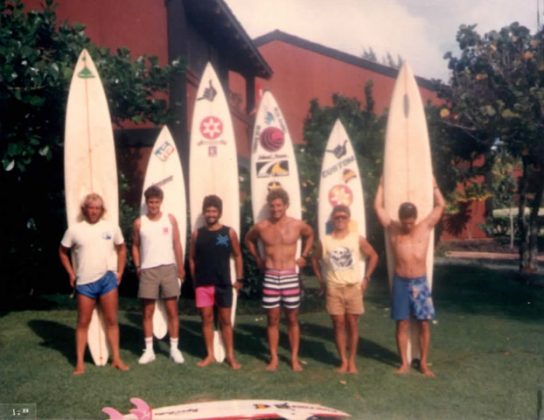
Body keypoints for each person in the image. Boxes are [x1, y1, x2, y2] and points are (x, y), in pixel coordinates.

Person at [374, 177, 445, 377]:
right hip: (401, 281)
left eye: (410, 222)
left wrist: (433, 185)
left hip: (420, 282)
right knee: (402, 322)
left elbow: (441, 205)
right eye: (405, 222)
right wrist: (381, 184)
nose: (408, 226)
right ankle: (404, 362)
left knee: (423, 322)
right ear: (400, 218)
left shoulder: (425, 226)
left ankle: (423, 363)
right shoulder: (393, 228)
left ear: (415, 217)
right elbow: (378, 207)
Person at [245, 188, 314, 372]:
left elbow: (310, 234)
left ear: (286, 205)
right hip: (270, 276)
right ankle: (274, 358)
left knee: (292, 319)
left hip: (290, 276)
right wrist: (258, 258)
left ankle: (294, 358)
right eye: (272, 205)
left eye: (278, 205)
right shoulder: (262, 226)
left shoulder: (297, 225)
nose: (275, 209)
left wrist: (305, 255)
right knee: (272, 320)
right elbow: (248, 240)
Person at [59, 193, 129, 375]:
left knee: (112, 321)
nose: (94, 211)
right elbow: (62, 252)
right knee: (83, 322)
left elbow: (122, 249)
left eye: (97, 208)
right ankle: (80, 363)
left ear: (102, 210)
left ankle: (116, 359)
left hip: (107, 280)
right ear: (85, 209)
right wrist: (70, 273)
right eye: (91, 208)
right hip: (84, 282)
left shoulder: (111, 227)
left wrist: (120, 272)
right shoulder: (74, 230)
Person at [311, 205, 378, 374]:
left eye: (343, 217)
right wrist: (321, 281)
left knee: (352, 324)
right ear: (333, 220)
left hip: (353, 288)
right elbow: (314, 259)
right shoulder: (325, 241)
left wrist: (367, 278)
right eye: (337, 217)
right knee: (338, 324)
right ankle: (343, 360)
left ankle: (352, 361)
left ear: (348, 219)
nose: (340, 220)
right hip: (334, 288)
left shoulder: (357, 238)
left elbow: (374, 256)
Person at [131, 185, 185, 364]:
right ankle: (149, 351)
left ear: (161, 202)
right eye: (150, 202)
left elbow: (177, 243)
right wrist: (138, 266)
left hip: (169, 268)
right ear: (146, 203)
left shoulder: (170, 219)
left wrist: (180, 267)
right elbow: (135, 246)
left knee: (172, 310)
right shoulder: (140, 223)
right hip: (148, 270)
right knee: (148, 311)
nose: (153, 205)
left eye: (156, 202)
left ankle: (174, 349)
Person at [189, 195, 243, 369]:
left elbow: (238, 255)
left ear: (219, 212)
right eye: (208, 211)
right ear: (204, 212)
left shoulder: (229, 232)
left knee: (225, 320)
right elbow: (191, 258)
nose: (211, 214)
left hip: (223, 283)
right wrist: (195, 278)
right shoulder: (198, 234)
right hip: (203, 284)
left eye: (214, 210)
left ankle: (230, 356)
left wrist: (239, 278)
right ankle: (210, 355)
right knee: (206, 319)